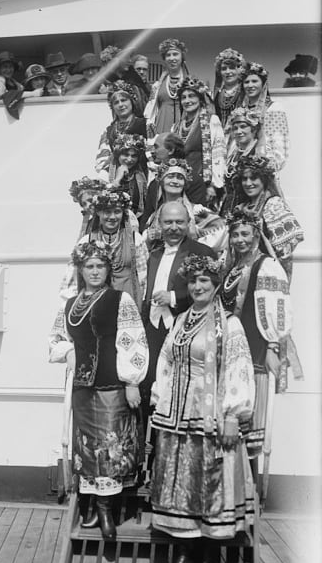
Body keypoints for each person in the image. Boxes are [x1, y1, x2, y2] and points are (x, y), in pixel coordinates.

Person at [150, 254, 255, 563]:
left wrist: (232, 417)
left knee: (209, 486)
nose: (197, 287)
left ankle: (210, 558)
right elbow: (166, 361)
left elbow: (238, 369)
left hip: (210, 417)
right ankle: (184, 556)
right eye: (193, 281)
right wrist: (160, 400)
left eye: (204, 281)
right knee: (182, 487)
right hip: (178, 417)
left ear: (215, 284)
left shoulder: (230, 325)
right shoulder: (180, 321)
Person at [49, 240, 149, 539]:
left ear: (108, 269)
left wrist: (132, 381)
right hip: (82, 388)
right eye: (89, 266)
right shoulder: (69, 305)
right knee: (87, 449)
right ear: (80, 269)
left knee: (110, 447)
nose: (95, 271)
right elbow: (56, 338)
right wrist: (67, 351)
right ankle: (91, 508)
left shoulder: (120, 300)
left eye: (100, 266)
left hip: (110, 385)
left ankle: (106, 510)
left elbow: (133, 339)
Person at [221, 208, 292, 455]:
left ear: (256, 235)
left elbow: (277, 308)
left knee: (250, 429)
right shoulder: (231, 267)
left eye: (245, 234)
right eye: (235, 234)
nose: (240, 239)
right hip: (231, 349)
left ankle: (250, 488)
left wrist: (273, 347)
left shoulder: (267, 265)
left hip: (256, 349)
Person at [140, 202, 216, 423]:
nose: (173, 227)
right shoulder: (153, 254)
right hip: (153, 331)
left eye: (179, 222)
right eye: (168, 222)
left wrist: (173, 297)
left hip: (185, 330)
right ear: (160, 224)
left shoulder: (201, 252)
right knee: (150, 388)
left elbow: (208, 291)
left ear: (188, 223)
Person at [60, 189, 148, 311]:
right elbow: (72, 278)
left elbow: (144, 277)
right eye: (107, 212)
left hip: (128, 302)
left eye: (117, 212)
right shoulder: (86, 241)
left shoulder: (135, 240)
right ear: (99, 213)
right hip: (96, 305)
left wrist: (142, 305)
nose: (112, 217)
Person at [140, 148, 228, 255]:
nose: (175, 181)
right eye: (170, 177)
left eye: (179, 178)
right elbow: (144, 246)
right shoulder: (155, 215)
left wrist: (195, 246)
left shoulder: (196, 211)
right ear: (162, 182)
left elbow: (222, 230)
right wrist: (149, 239)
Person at [232, 154, 304, 282]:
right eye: (244, 179)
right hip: (243, 273)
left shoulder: (273, 204)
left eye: (254, 178)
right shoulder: (241, 207)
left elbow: (286, 247)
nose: (248, 183)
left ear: (264, 180)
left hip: (267, 272)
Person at [172, 77, 226, 206]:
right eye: (183, 97)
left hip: (202, 184)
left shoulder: (211, 121)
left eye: (191, 96)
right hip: (180, 183)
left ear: (200, 99)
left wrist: (213, 185)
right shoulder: (176, 127)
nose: (187, 100)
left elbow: (218, 153)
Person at [241, 61, 290, 172]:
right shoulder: (241, 110)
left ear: (263, 84)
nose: (250, 85)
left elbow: (280, 143)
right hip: (242, 170)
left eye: (254, 81)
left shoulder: (273, 108)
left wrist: (268, 166)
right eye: (246, 82)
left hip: (264, 169)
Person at [222, 107, 269, 215]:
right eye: (235, 128)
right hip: (230, 207)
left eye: (243, 127)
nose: (238, 131)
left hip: (252, 208)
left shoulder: (260, 153)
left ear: (253, 129)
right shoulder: (233, 153)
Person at [95, 80, 147, 174]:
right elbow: (102, 159)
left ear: (132, 102)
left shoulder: (145, 124)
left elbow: (153, 152)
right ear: (113, 107)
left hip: (142, 175)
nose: (120, 105)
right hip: (116, 177)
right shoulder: (109, 131)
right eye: (116, 102)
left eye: (123, 100)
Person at [144, 38, 189, 136]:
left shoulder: (190, 83)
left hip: (184, 129)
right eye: (168, 55)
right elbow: (150, 110)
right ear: (164, 59)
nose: (172, 58)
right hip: (161, 128)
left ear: (182, 57)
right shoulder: (157, 86)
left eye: (175, 54)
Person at [106, 133, 148, 220]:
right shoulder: (105, 174)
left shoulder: (143, 175)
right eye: (125, 155)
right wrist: (117, 179)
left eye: (134, 156)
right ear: (118, 155)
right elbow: (100, 200)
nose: (129, 159)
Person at [99, 46, 149, 114]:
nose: (130, 61)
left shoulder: (133, 76)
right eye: (126, 58)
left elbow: (145, 96)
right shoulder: (104, 78)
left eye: (130, 58)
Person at [213, 47, 246, 130]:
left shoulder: (246, 92)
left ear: (239, 69)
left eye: (231, 67)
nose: (228, 72)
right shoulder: (216, 95)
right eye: (224, 69)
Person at [68, 176, 108, 241]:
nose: (87, 206)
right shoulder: (89, 225)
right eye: (84, 204)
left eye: (90, 200)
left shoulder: (112, 221)